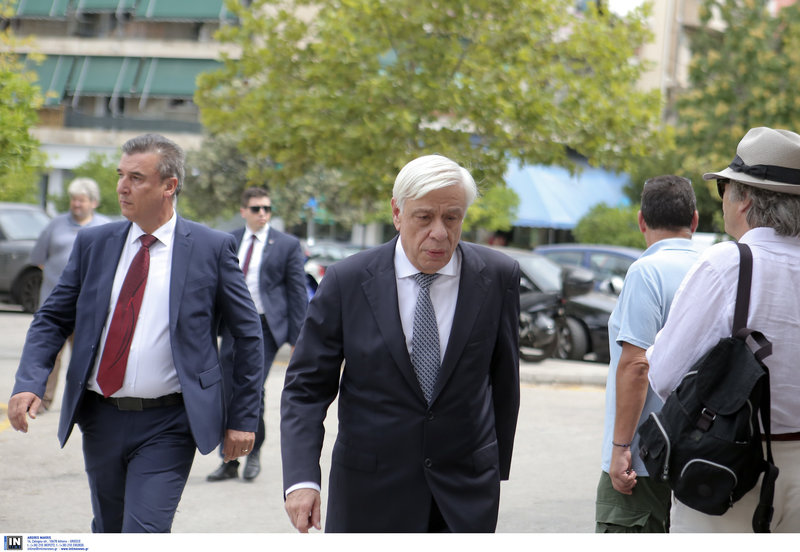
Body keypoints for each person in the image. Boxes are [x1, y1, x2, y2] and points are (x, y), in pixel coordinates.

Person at [7, 133, 264, 533]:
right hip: (100, 417)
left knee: (144, 532)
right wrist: (29, 381)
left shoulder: (210, 248)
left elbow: (247, 334)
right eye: (120, 175)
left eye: (136, 178)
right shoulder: (94, 243)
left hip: (170, 422)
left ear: (169, 186)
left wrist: (243, 418)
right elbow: (52, 318)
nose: (122, 187)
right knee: (109, 529)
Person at [280, 154, 521, 533]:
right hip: (368, 494)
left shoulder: (498, 276)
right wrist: (301, 480)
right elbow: (306, 389)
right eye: (424, 217)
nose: (439, 232)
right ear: (397, 213)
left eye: (452, 218)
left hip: (463, 496)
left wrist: (492, 468)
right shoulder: (347, 281)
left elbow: (505, 383)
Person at [648, 127, 800, 532]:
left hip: (729, 467)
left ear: (745, 198)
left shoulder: (728, 264)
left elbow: (664, 375)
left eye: (724, 189)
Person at [594, 175, 700, 533]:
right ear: (695, 220)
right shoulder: (714, 269)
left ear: (641, 220)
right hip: (700, 453)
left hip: (644, 459)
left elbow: (637, 365)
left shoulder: (646, 271)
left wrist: (621, 447)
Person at [207, 187, 308, 482]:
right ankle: (229, 460)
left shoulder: (287, 244)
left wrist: (298, 338)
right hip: (232, 326)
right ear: (243, 211)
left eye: (267, 208)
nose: (262, 213)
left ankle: (253, 452)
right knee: (227, 391)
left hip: (265, 327)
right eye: (256, 208)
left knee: (253, 389)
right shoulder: (228, 240)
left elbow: (297, 292)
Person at [30, 177, 110, 411]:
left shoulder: (105, 227)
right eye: (73, 199)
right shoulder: (55, 225)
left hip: (89, 307)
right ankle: (43, 401)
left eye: (81, 200)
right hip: (54, 305)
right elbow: (39, 259)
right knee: (49, 354)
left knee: (85, 356)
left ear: (94, 202)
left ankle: (83, 403)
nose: (76, 204)